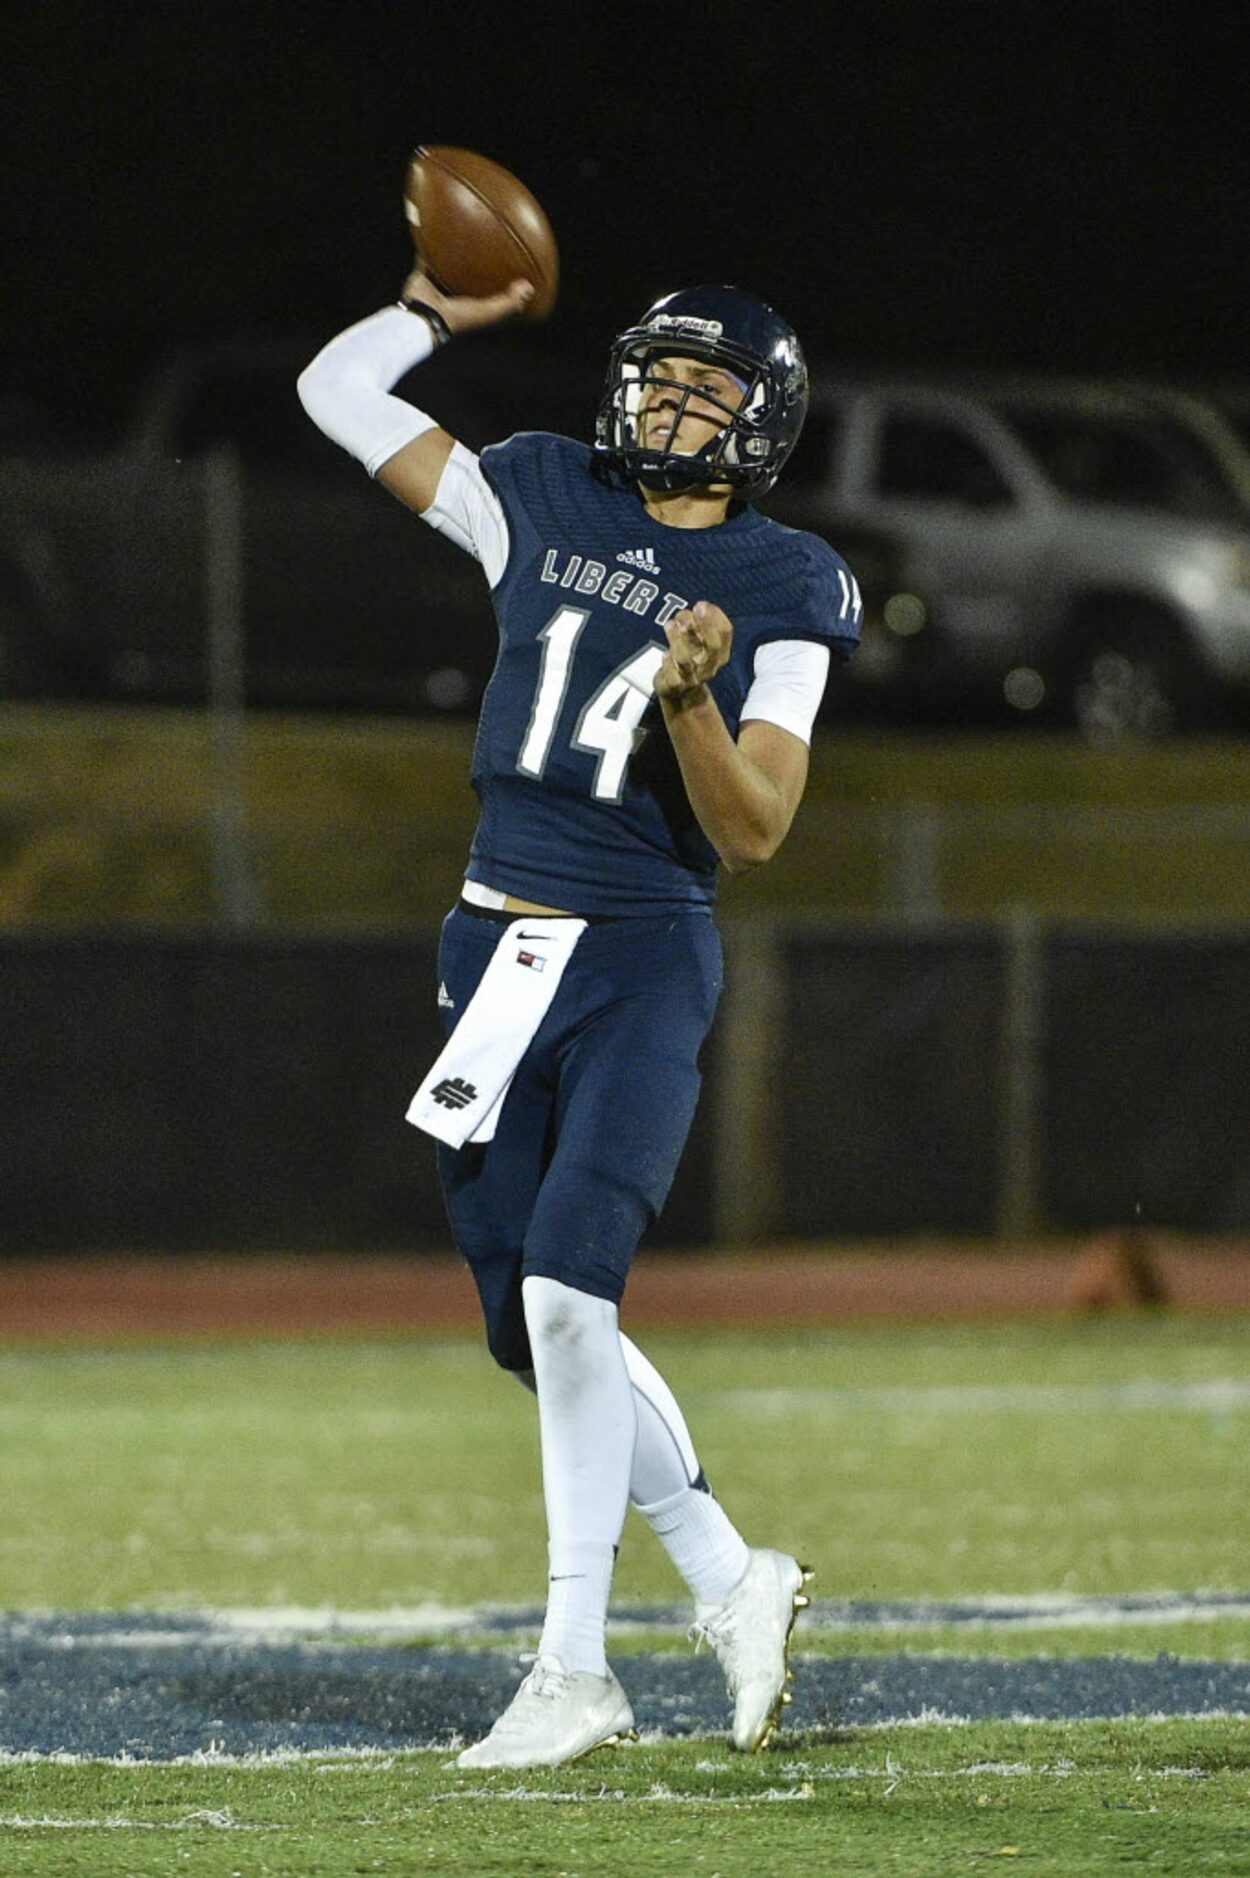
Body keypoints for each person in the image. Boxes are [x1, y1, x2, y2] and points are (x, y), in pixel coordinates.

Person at [297, 261, 862, 1770]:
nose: (673, 402)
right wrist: (429, 308)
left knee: (571, 1288)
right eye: (660, 373)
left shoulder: (788, 579)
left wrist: (692, 700)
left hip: (638, 950)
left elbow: (754, 832)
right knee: (532, 1330)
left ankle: (571, 1668)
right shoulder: (538, 490)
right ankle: (732, 1575)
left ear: (764, 424)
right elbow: (335, 395)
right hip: (491, 943)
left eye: (710, 387)